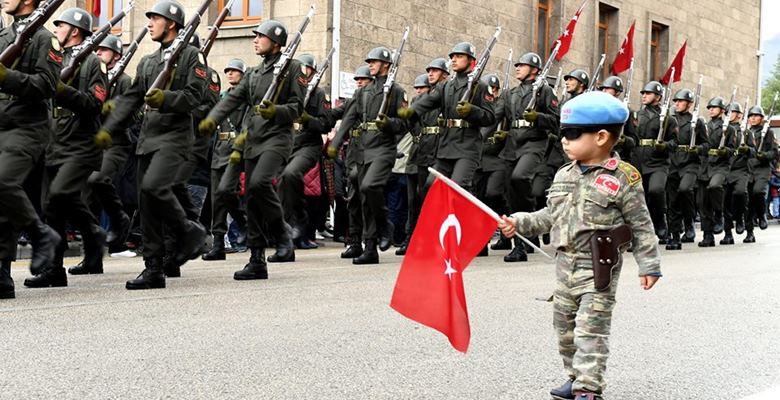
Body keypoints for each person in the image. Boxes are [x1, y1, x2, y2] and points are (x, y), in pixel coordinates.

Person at [497, 91, 661, 400]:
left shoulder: (623, 178)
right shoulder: (564, 174)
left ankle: (588, 387)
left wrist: (649, 265)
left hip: (598, 266)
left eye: (573, 133)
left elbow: (641, 224)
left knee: (590, 328)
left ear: (601, 137)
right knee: (565, 330)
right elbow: (550, 215)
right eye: (563, 132)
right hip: (565, 266)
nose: (564, 140)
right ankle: (574, 377)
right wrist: (518, 222)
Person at [99, 0, 208, 289]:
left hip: (174, 138)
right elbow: (133, 97)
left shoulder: (191, 56)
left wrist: (166, 99)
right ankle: (153, 268)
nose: (149, 24)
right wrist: (109, 125)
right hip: (148, 139)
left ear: (171, 23)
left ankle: (189, 231)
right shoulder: (148, 61)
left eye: (154, 19)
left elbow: (195, 96)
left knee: (154, 187)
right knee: (146, 206)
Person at [199, 19, 306, 278]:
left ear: (276, 42)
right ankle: (257, 260)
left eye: (260, 36)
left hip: (277, 139)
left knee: (259, 184)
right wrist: (212, 118)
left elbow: (297, 107)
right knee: (249, 198)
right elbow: (233, 100)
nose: (255, 40)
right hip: (253, 140)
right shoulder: (254, 73)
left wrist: (276, 111)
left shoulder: (292, 68)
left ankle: (281, 233)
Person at [26, 8, 109, 287]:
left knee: (58, 197)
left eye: (60, 25)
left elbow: (95, 104)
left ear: (74, 30)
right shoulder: (56, 59)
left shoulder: (94, 63)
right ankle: (55, 270)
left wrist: (63, 91)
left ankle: (92, 232)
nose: (56, 30)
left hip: (80, 143)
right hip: (53, 142)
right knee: (51, 209)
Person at [0, 0, 65, 299]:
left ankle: (42, 235)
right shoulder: (3, 36)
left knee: (3, 181)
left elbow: (47, 85)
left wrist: (7, 78)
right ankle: (2, 274)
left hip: (27, 127)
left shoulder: (44, 38)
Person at [327, 46, 408, 265]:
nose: (370, 65)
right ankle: (370, 247)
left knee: (369, 186)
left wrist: (389, 123)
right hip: (363, 149)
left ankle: (384, 224)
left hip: (383, 148)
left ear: (386, 65)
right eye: (369, 62)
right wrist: (335, 143)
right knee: (364, 199)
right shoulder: (363, 92)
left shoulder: (397, 91)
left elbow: (404, 123)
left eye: (374, 61)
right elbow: (348, 118)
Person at [494, 52, 558, 262]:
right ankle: (521, 244)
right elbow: (495, 116)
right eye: (517, 65)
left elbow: (556, 121)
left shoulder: (545, 91)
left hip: (534, 143)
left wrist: (538, 117)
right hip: (512, 145)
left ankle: (531, 222)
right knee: (509, 191)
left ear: (534, 70)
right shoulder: (510, 93)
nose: (518, 68)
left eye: (522, 65)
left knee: (519, 178)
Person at [84, 35, 137, 256]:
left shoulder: (124, 81)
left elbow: (133, 116)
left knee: (98, 180)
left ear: (116, 55)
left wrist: (113, 108)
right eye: (96, 50)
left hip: (115, 142)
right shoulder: (96, 76)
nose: (98, 53)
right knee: (87, 199)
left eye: (103, 50)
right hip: (94, 142)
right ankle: (92, 256)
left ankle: (119, 220)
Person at [396, 59, 449, 256]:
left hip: (439, 150)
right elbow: (409, 125)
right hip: (419, 152)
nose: (431, 73)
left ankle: (434, 238)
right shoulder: (418, 102)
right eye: (429, 71)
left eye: (435, 70)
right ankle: (412, 237)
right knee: (414, 200)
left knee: (430, 193)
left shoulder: (445, 97)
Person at [278, 53, 330, 250]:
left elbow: (325, 124)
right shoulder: (287, 91)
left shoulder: (318, 94)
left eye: (306, 69)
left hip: (308, 145)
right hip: (286, 145)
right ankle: (287, 237)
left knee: (291, 175)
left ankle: (300, 223)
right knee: (281, 191)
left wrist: (308, 119)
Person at [202, 58, 248, 261]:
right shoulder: (221, 96)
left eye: (234, 70)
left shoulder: (246, 98)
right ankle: (218, 244)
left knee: (226, 192)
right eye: (228, 70)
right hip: (219, 149)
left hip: (235, 149)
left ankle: (243, 221)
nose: (230, 73)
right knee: (216, 199)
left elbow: (247, 123)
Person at [334, 66, 374, 259]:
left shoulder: (376, 101)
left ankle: (370, 242)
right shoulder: (353, 101)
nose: (359, 82)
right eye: (357, 79)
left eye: (363, 79)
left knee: (367, 199)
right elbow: (335, 114)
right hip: (353, 153)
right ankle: (355, 241)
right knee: (353, 199)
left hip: (370, 152)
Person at [633, 81, 679, 243]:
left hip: (659, 163)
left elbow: (675, 142)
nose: (644, 96)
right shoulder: (636, 116)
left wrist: (664, 145)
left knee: (656, 190)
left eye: (648, 93)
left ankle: (660, 221)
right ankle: (643, 232)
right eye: (643, 93)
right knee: (642, 198)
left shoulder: (668, 119)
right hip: (640, 161)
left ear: (658, 97)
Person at [666, 88, 707, 250]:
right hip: (673, 161)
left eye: (680, 101)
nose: (676, 104)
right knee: (673, 199)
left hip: (690, 162)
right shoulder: (669, 120)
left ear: (689, 104)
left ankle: (689, 222)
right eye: (675, 101)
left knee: (684, 189)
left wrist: (698, 149)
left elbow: (706, 144)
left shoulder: (697, 121)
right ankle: (675, 235)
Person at [697, 97, 735, 247]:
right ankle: (708, 235)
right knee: (703, 202)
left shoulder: (729, 129)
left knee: (715, 186)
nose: (711, 109)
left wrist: (725, 151)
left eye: (714, 107)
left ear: (722, 110)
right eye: (709, 107)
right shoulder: (703, 126)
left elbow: (732, 149)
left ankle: (719, 214)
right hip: (705, 165)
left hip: (720, 166)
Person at [745, 105, 776, 239]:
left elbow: (774, 152)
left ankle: (762, 213)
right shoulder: (745, 132)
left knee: (758, 192)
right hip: (748, 168)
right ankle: (749, 231)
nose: (753, 118)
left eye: (756, 116)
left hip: (762, 168)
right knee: (748, 201)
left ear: (762, 118)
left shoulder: (768, 132)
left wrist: (764, 155)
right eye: (751, 116)